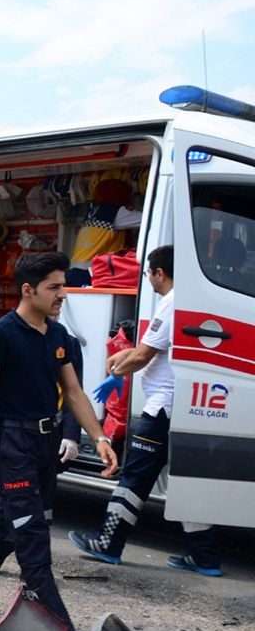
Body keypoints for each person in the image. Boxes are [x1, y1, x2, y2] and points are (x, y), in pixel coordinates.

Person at [0, 252, 118, 631]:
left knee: (5, 530)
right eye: (55, 287)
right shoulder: (0, 335)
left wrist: (99, 438)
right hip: (12, 448)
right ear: (29, 290)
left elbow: (74, 393)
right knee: (33, 541)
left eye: (63, 286)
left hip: (45, 447)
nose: (63, 294)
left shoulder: (58, 336)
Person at [68, 246, 223, 576]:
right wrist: (119, 362)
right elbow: (143, 351)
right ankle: (205, 556)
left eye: (148, 273)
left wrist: (116, 370)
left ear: (159, 273)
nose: (147, 279)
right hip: (179, 407)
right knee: (184, 483)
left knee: (134, 478)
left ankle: (109, 543)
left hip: (160, 410)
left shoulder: (171, 303)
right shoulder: (187, 300)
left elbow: (143, 356)